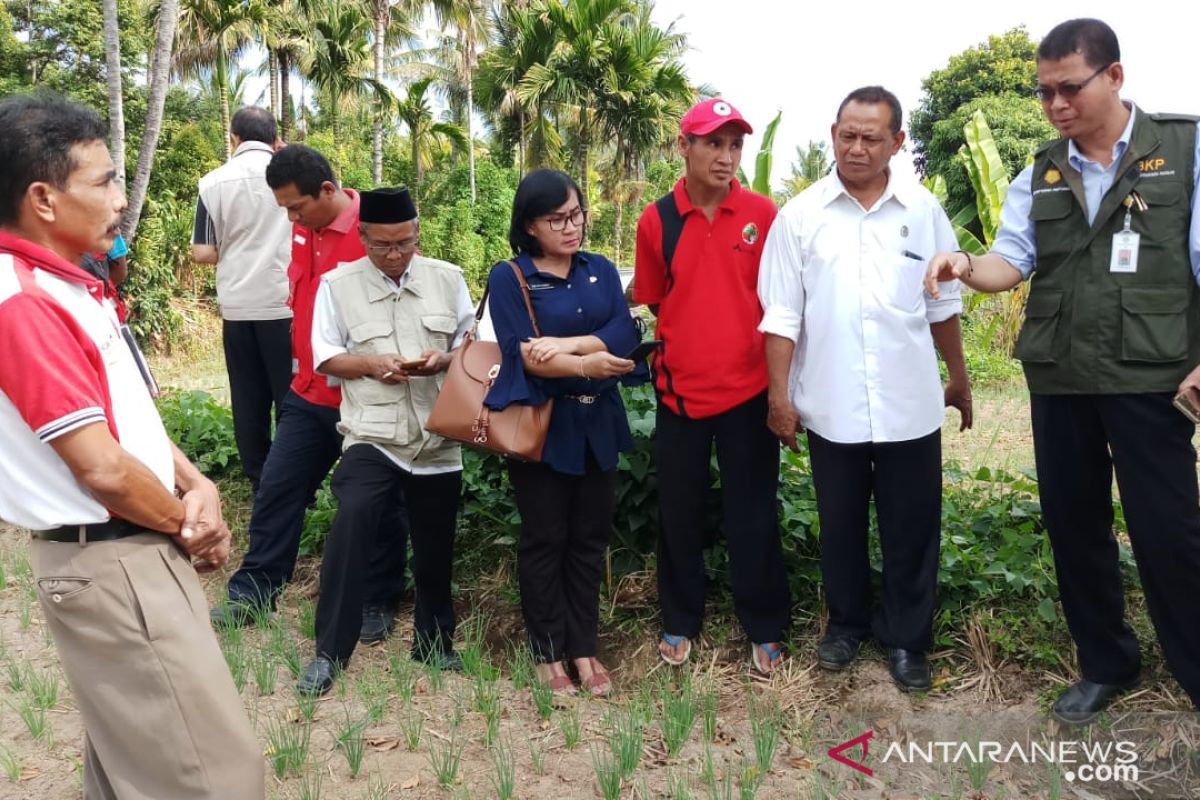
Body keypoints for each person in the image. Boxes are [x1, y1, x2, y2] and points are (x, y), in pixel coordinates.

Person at [926, 18, 1200, 720]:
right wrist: (964, 263)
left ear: (1114, 76)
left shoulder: (1186, 148)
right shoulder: (1041, 170)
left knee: (1169, 529)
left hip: (1153, 374)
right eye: (1044, 92)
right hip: (1061, 377)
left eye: (1067, 88)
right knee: (1074, 525)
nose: (1054, 106)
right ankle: (1107, 662)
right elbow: (1009, 261)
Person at [0, 95, 262, 798]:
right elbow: (101, 466)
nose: (121, 198)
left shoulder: (66, 283)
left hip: (126, 548)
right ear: (43, 199)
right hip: (115, 558)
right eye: (105, 180)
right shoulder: (24, 301)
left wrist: (196, 481)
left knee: (135, 769)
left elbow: (124, 424)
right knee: (213, 778)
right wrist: (190, 525)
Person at [759, 86, 971, 692]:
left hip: (909, 404)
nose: (856, 147)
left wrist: (958, 377)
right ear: (833, 134)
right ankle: (846, 625)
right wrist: (780, 397)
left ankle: (908, 641)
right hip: (831, 404)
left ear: (897, 143)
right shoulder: (800, 217)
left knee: (912, 525)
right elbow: (780, 316)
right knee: (841, 523)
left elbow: (944, 304)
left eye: (871, 137)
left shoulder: (923, 210)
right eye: (847, 135)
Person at [213, 144, 408, 647]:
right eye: (284, 209)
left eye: (296, 207)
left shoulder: (377, 232)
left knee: (374, 504)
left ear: (328, 190)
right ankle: (255, 589)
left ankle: (376, 598)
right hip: (308, 393)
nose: (290, 217)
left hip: (364, 397)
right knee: (278, 488)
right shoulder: (306, 229)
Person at [633, 98, 791, 674]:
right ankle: (679, 620)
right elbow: (655, 297)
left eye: (735, 145)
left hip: (750, 392)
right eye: (714, 143)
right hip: (679, 393)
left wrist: (780, 389)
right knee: (679, 512)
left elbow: (779, 302)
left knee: (752, 513)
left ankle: (766, 625)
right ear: (684, 146)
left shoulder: (763, 213)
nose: (727, 157)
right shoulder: (656, 219)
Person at [298, 187, 474, 695]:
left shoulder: (448, 278)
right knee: (352, 521)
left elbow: (470, 342)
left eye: (404, 243)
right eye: (382, 245)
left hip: (437, 434)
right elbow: (326, 357)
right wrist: (374, 364)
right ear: (363, 238)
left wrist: (443, 360)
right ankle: (329, 653)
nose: (394, 255)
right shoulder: (337, 285)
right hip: (372, 434)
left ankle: (435, 642)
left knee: (435, 544)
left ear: (418, 233)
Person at [484, 169, 641, 696]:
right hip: (544, 426)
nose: (572, 227)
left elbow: (624, 333)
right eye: (558, 219)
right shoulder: (511, 276)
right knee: (545, 538)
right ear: (530, 226)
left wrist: (569, 347)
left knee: (589, 540)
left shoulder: (599, 269)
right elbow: (524, 353)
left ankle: (584, 647)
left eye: (577, 215)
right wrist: (584, 364)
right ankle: (547, 653)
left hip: (599, 421)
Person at [192, 106, 294, 493]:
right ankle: (292, 475)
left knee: (248, 398)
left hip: (237, 306)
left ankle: (259, 478)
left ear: (233, 137)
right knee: (289, 395)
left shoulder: (212, 182)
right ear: (274, 139)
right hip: (285, 303)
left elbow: (203, 252)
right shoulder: (291, 177)